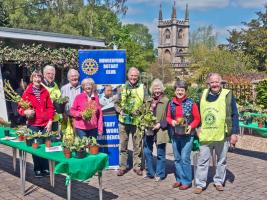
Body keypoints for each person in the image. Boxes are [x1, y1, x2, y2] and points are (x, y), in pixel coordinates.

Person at [194, 73, 239, 194]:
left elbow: (234, 114)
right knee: (203, 160)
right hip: (206, 134)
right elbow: (197, 113)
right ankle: (200, 184)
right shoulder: (202, 94)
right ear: (208, 83)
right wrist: (197, 127)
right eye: (212, 82)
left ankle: (218, 181)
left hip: (222, 134)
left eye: (217, 82)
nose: (214, 84)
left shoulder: (227, 95)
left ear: (221, 82)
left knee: (221, 160)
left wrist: (234, 133)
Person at [18, 70, 54, 177]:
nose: (37, 79)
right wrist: (25, 112)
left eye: (39, 77)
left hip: (45, 124)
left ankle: (46, 168)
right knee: (36, 146)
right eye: (35, 77)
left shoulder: (45, 91)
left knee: (45, 146)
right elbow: (20, 108)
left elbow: (50, 107)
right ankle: (37, 168)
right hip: (33, 124)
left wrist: (50, 121)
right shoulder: (27, 92)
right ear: (32, 78)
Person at [166, 80, 200, 190]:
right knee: (177, 158)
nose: (180, 92)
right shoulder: (171, 103)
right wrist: (172, 122)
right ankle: (179, 179)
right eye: (178, 90)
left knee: (185, 158)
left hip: (187, 135)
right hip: (175, 135)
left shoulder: (191, 103)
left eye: (182, 90)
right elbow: (168, 117)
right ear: (175, 91)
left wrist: (191, 126)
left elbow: (197, 119)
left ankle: (187, 181)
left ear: (185, 91)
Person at [114, 67, 146, 176]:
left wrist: (140, 110)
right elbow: (116, 103)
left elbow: (147, 102)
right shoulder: (121, 87)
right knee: (123, 145)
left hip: (137, 121)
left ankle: (137, 166)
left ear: (138, 76)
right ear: (128, 76)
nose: (133, 77)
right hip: (123, 121)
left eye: (135, 76)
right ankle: (122, 167)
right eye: (131, 75)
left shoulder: (143, 87)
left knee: (138, 145)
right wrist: (120, 110)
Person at [143, 79, 169, 182]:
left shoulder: (166, 101)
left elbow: (169, 117)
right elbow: (144, 114)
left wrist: (160, 124)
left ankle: (160, 173)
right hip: (149, 130)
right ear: (152, 90)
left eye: (158, 88)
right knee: (147, 151)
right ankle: (150, 172)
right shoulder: (148, 100)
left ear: (162, 89)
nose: (157, 90)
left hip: (160, 130)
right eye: (155, 88)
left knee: (161, 153)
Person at [42, 65, 61, 132]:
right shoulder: (40, 85)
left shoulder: (55, 84)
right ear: (44, 74)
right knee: (45, 140)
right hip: (44, 119)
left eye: (52, 74)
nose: (51, 75)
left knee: (54, 140)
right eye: (48, 73)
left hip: (55, 118)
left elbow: (58, 97)